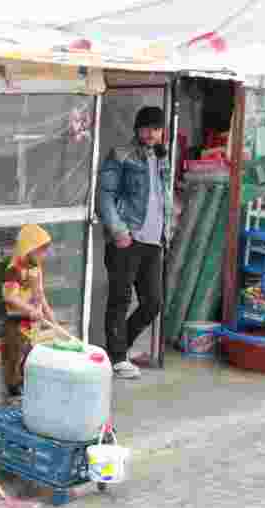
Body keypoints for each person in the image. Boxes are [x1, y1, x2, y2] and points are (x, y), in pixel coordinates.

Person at [97, 105, 170, 380]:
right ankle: (117, 357)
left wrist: (167, 230)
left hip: (154, 240)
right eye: (146, 127)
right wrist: (118, 231)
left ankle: (116, 349)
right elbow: (105, 196)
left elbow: (163, 197)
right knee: (120, 298)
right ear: (137, 129)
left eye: (156, 128)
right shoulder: (121, 155)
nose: (151, 133)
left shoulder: (163, 158)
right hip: (128, 237)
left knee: (153, 302)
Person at [1, 223, 55, 397]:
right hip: (17, 320)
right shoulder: (14, 269)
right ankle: (14, 391)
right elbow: (10, 296)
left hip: (33, 320)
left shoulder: (35, 267)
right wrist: (30, 309)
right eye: (41, 251)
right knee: (15, 354)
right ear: (29, 248)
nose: (44, 255)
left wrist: (48, 313)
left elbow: (40, 292)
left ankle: (27, 388)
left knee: (31, 353)